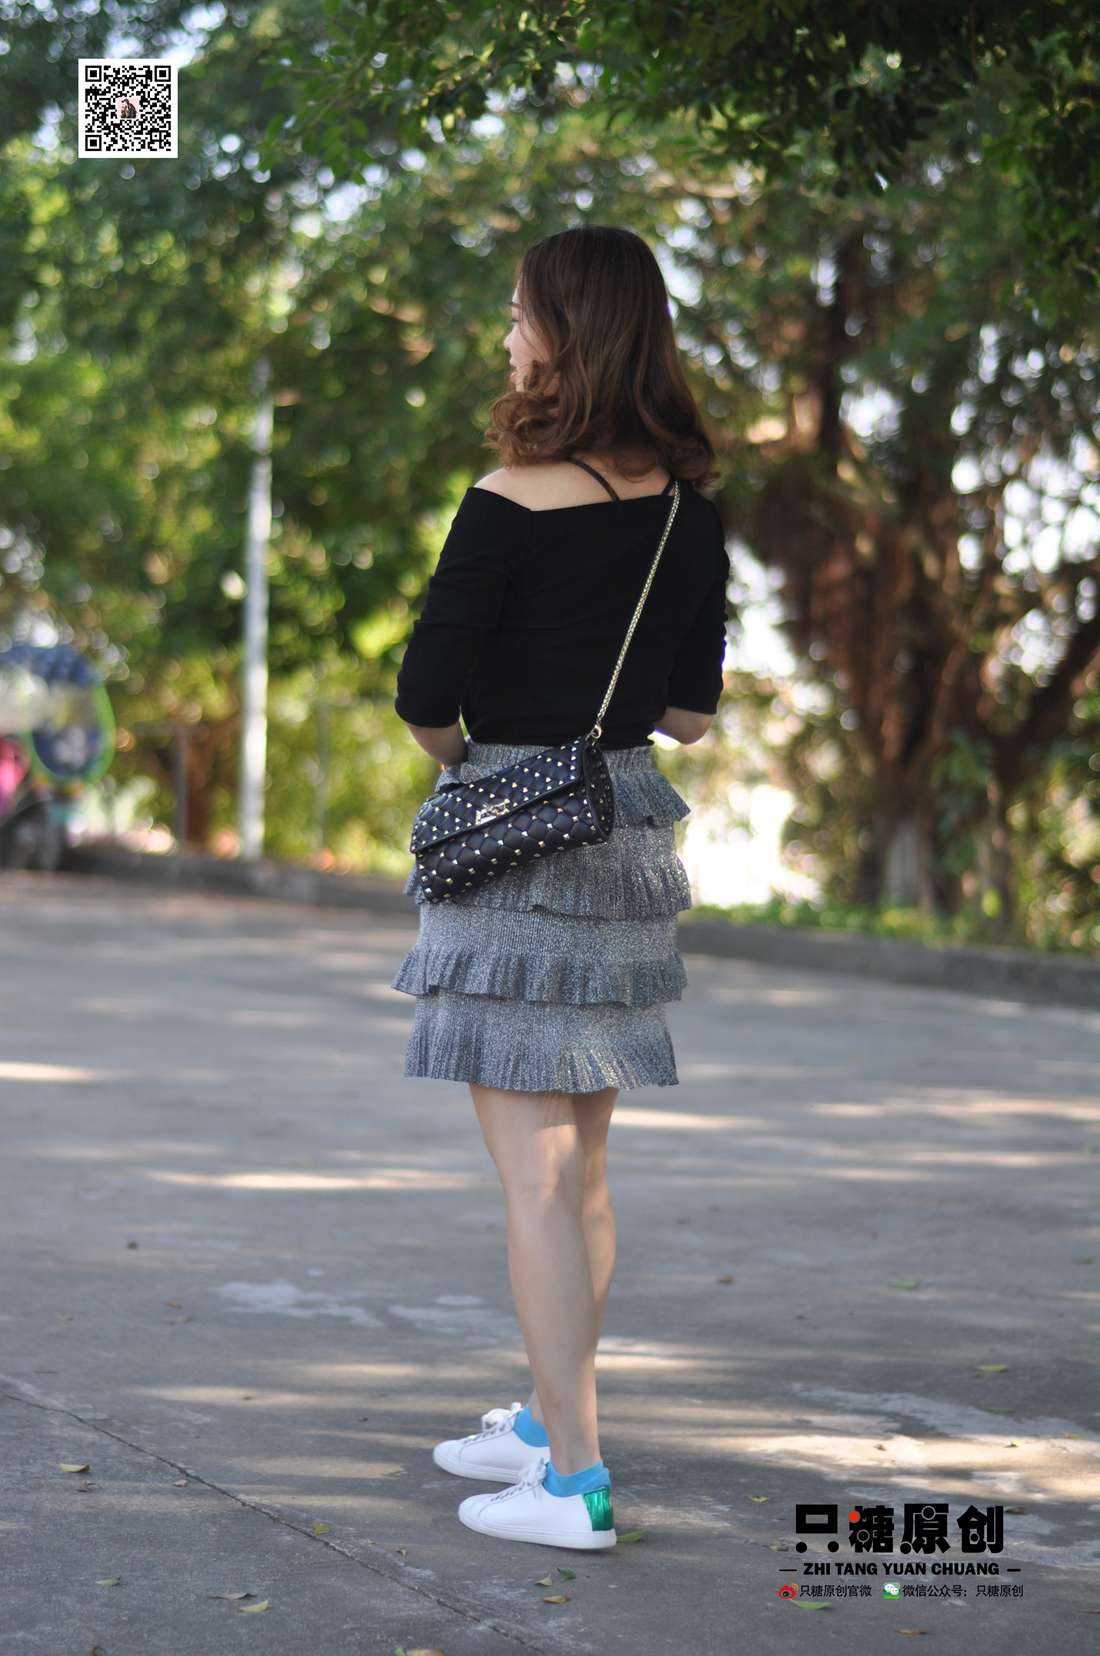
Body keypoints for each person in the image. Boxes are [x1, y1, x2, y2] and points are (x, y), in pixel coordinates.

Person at [391, 225, 730, 1551]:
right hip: (627, 834)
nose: (508, 334)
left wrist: (480, 762)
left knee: (534, 1180)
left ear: (568, 335)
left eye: (521, 313)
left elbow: (426, 695)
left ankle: (575, 1484)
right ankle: (545, 1421)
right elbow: (689, 713)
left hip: (516, 844)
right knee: (577, 1172)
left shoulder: (509, 498)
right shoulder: (689, 513)